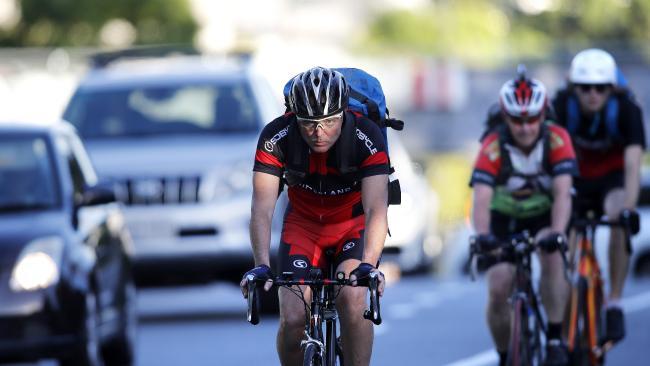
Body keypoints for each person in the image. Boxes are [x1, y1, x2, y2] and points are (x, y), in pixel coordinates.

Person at [240, 66, 388, 366]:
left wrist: (369, 266)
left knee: (352, 299)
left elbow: (376, 209)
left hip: (352, 226)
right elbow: (262, 208)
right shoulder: (275, 137)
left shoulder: (366, 135)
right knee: (293, 319)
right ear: (294, 117)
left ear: (343, 113)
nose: (319, 132)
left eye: (330, 121)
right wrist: (261, 266)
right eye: (308, 124)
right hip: (303, 228)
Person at [470, 71, 578, 366]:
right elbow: (481, 197)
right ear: (505, 117)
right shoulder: (493, 144)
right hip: (503, 218)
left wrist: (557, 231)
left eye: (532, 119)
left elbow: (564, 192)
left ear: (543, 114)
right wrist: (482, 236)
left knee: (553, 258)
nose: (526, 127)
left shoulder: (558, 138)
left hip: (544, 216)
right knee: (498, 287)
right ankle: (506, 355)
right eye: (517, 120)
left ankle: (555, 338)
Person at [552, 48, 645, 343]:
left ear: (611, 88)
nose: (592, 94)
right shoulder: (562, 106)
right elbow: (550, 158)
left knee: (619, 218)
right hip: (575, 178)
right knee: (560, 243)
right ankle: (563, 329)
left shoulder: (628, 109)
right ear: (574, 88)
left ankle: (614, 302)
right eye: (585, 88)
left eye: (600, 88)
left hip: (611, 180)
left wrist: (629, 207)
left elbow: (633, 164)